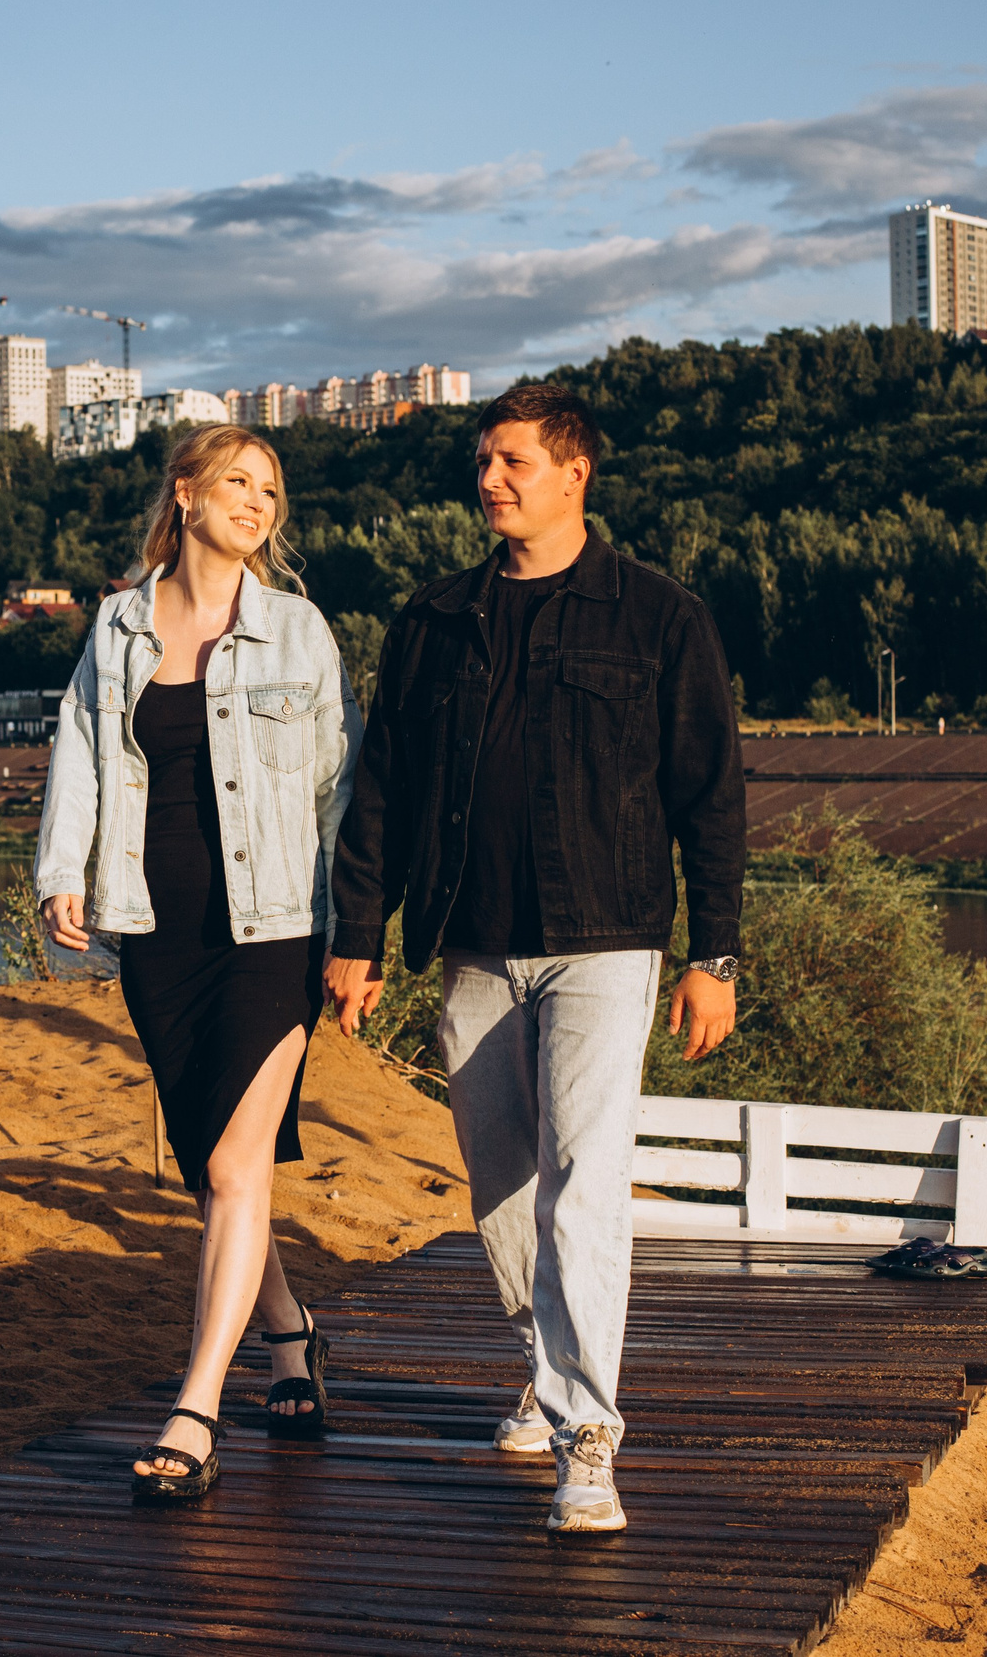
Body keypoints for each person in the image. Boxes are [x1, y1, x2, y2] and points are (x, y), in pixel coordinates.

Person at [323, 383, 747, 1533]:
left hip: (605, 943)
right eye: (483, 461)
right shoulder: (433, 619)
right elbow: (382, 788)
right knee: (501, 1186)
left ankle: (586, 1433)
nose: (490, 480)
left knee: (582, 1181)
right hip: (470, 946)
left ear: (574, 474)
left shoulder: (658, 616)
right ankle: (544, 1361)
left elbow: (710, 794)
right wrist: (357, 937)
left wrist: (715, 955)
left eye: (512, 461)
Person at [34, 423, 358, 1500]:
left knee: (228, 1170)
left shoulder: (297, 629)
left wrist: (354, 932)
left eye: (271, 489)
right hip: (156, 929)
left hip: (274, 929)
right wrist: (60, 870)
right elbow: (82, 749)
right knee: (223, 1164)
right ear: (186, 493)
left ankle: (197, 1408)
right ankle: (290, 1330)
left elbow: (337, 785)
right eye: (239, 481)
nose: (259, 502)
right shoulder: (119, 623)